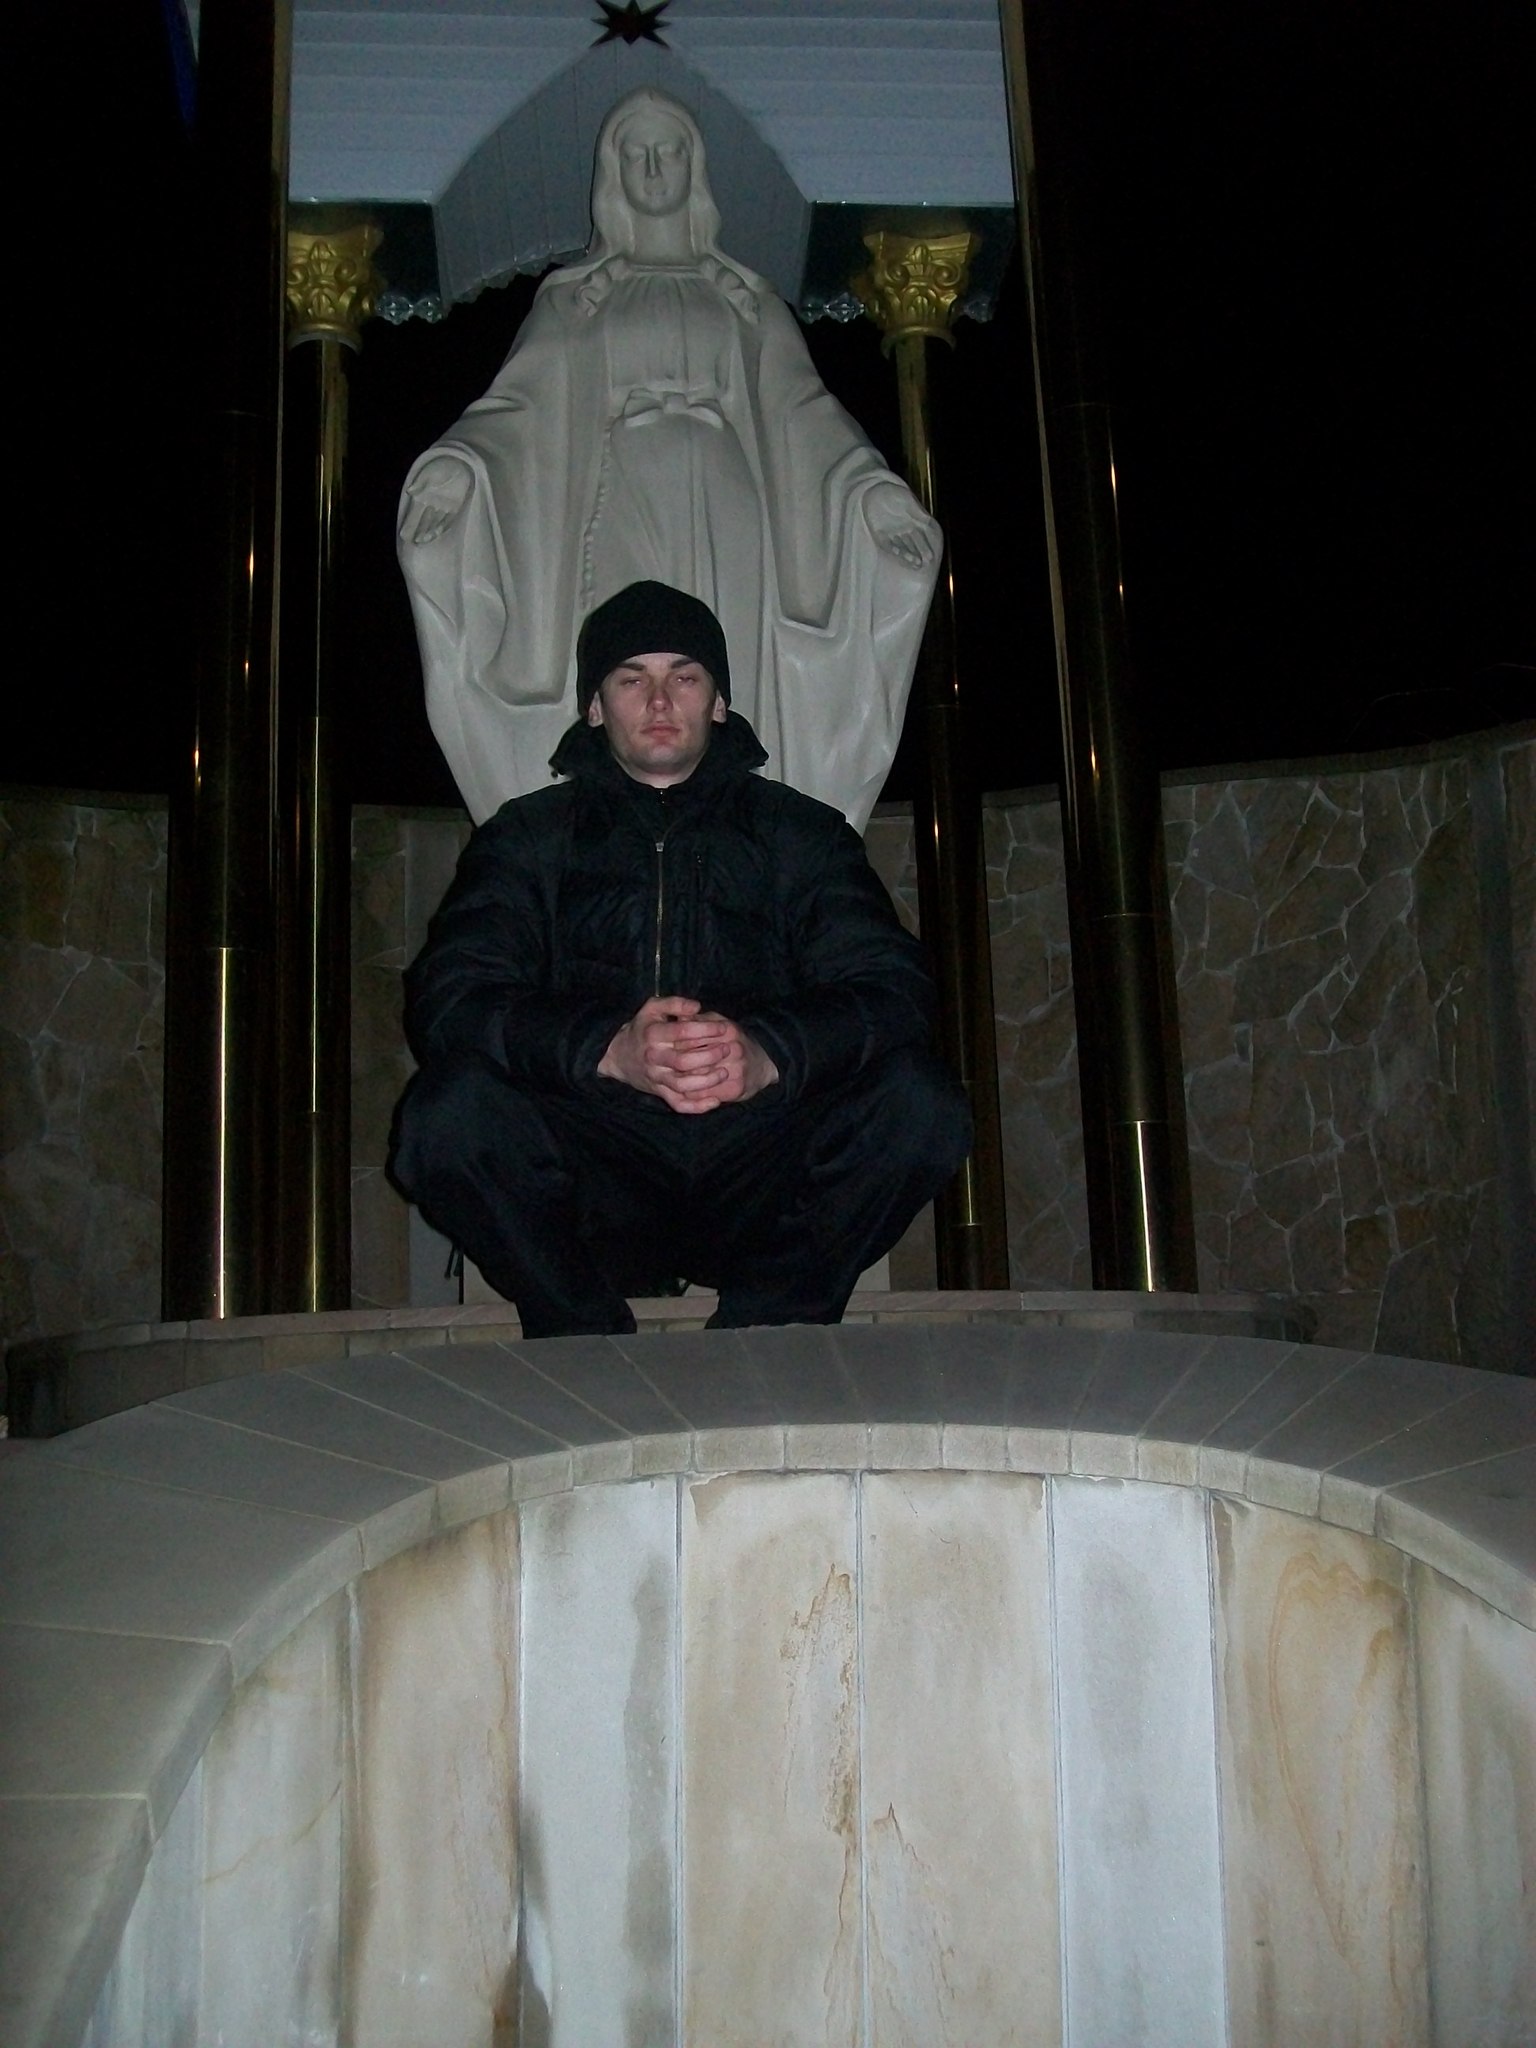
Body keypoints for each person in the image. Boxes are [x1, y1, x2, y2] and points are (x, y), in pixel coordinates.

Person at [389, 580, 971, 1338]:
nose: (660, 701)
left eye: (684, 677)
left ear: (719, 701)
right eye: (632, 679)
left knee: (921, 1103)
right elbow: (452, 997)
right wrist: (607, 1049)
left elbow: (895, 991)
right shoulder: (527, 838)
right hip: (597, 1162)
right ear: (595, 706)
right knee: (446, 1115)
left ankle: (769, 1328)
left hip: (758, 1158)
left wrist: (767, 1054)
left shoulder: (802, 834)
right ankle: (580, 1333)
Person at [398, 87, 939, 832]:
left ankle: (735, 831)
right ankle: (620, 833)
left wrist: (868, 489)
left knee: (714, 663)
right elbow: (518, 410)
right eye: (637, 154)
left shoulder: (745, 301)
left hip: (728, 501)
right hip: (621, 492)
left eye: (670, 152)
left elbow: (803, 413)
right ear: (613, 171)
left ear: (695, 165)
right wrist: (462, 464)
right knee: (632, 656)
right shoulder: (576, 302)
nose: (654, 169)